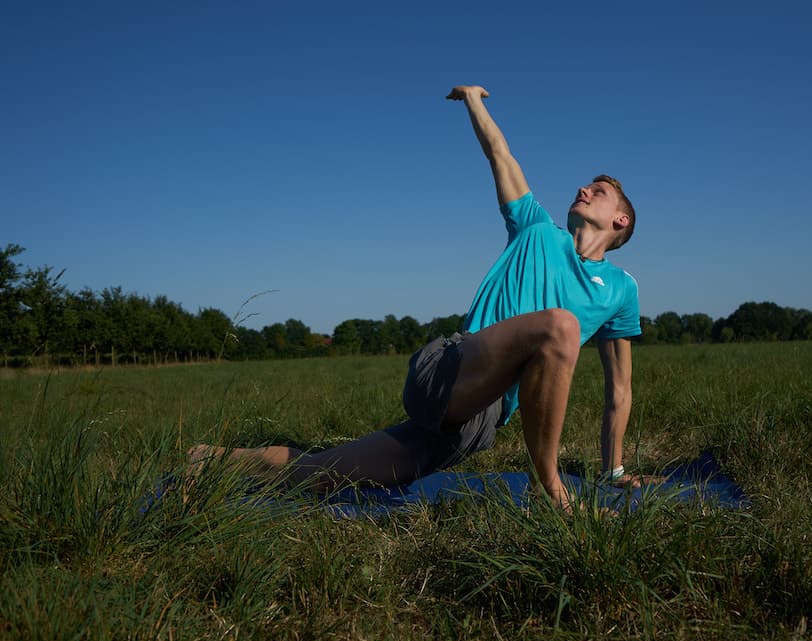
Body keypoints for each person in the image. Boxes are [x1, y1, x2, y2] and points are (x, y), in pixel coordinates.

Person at [190, 85, 648, 511]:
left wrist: (616, 470)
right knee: (561, 327)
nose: (583, 190)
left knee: (322, 473)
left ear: (621, 221)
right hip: (449, 370)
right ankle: (547, 487)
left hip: (478, 425)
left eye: (600, 191)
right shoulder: (537, 228)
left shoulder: (622, 290)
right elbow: (500, 154)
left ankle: (214, 459)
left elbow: (620, 390)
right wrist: (473, 99)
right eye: (586, 186)